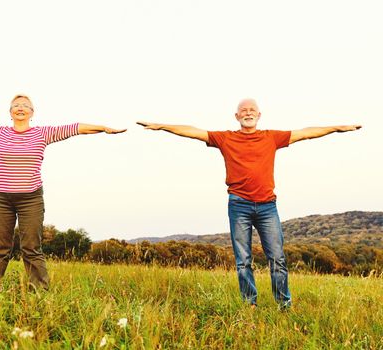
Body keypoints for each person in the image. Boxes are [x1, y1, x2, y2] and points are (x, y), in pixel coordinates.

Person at [137, 98, 361, 308]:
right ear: (236, 116)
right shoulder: (225, 138)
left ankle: (283, 304)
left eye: (252, 109)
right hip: (239, 205)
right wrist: (161, 126)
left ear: (259, 115)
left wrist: (336, 128)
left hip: (267, 206)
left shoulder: (271, 137)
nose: (248, 113)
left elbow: (306, 133)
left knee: (277, 259)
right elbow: (194, 132)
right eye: (243, 110)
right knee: (243, 260)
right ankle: (249, 304)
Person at [0, 94, 126, 289]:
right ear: (10, 112)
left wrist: (103, 128)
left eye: (25, 105)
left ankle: (39, 291)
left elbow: (75, 128)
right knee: (0, 248)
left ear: (32, 112)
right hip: (2, 199)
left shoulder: (43, 133)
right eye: (16, 105)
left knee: (31, 248)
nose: (20, 107)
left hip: (31, 199)